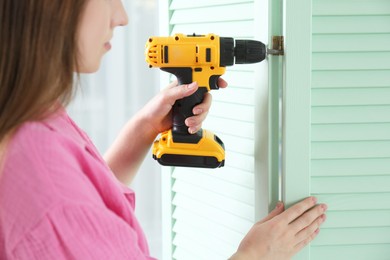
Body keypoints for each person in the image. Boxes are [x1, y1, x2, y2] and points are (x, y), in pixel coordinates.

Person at [0, 0, 327, 259]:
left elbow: (89, 205)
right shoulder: (44, 183)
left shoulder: (34, 118)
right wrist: (256, 254)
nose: (122, 16)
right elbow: (65, 208)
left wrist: (145, 129)